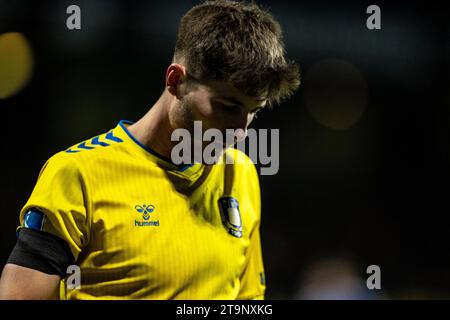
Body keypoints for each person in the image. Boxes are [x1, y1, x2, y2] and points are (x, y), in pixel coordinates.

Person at [0, 0, 300, 299]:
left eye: (252, 112)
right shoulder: (78, 173)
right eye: (228, 106)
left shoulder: (241, 174)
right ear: (176, 81)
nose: (240, 130)